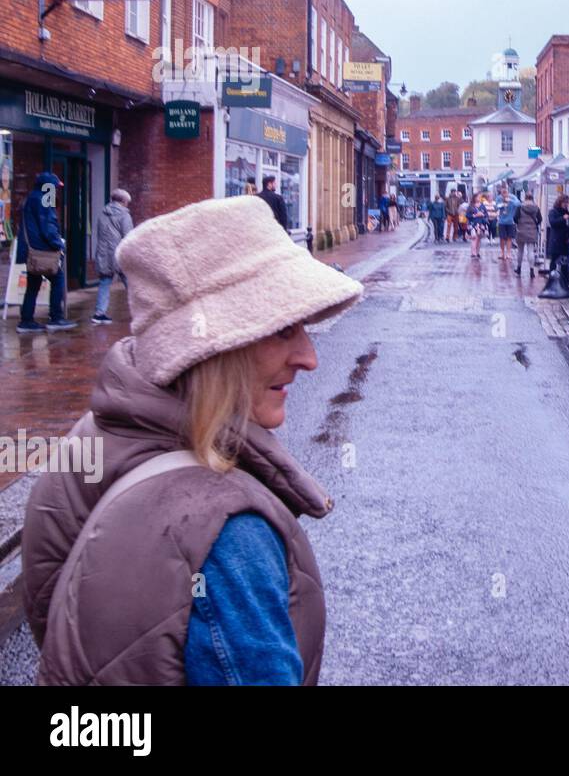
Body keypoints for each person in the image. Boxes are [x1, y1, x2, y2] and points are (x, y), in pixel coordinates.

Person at [21, 195, 363, 685]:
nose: (308, 357)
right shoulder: (224, 532)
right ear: (214, 349)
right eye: (283, 330)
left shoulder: (99, 439)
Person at [17, 171, 76, 333]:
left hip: (32, 250)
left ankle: (26, 321)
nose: (56, 190)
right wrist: (59, 244)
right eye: (55, 187)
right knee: (57, 279)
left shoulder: (30, 198)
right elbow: (48, 227)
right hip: (43, 250)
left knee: (33, 284)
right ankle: (56, 317)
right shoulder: (45, 198)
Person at [91, 188, 134, 325]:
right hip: (119, 254)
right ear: (123, 201)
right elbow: (129, 236)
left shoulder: (103, 213)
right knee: (132, 284)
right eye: (127, 201)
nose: (127, 204)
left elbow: (100, 233)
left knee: (104, 283)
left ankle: (99, 314)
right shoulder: (124, 215)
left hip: (104, 253)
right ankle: (139, 311)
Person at [515, 191, 543, 278]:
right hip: (532, 231)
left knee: (520, 251)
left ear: (525, 198)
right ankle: (531, 271)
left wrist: (520, 223)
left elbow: (515, 218)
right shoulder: (536, 207)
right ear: (532, 198)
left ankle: (519, 268)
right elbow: (540, 219)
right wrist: (534, 224)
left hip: (521, 230)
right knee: (530, 251)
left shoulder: (520, 207)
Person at [496, 185, 521, 264]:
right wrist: (502, 203)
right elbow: (496, 207)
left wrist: (510, 200)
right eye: (502, 192)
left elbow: (518, 204)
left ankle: (509, 253)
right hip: (502, 221)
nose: (504, 193)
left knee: (510, 238)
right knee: (502, 238)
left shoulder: (512, 197)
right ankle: (502, 252)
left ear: (507, 190)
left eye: (505, 191)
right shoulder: (499, 198)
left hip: (511, 221)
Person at [467, 193, 489, 260]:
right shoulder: (471, 206)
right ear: (474, 198)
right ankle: (473, 253)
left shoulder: (482, 206)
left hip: (481, 224)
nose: (479, 198)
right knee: (474, 238)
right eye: (478, 197)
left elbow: (486, 214)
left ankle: (477, 252)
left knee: (479, 239)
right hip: (473, 224)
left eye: (480, 197)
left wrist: (483, 215)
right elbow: (467, 215)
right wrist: (475, 215)